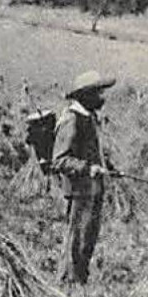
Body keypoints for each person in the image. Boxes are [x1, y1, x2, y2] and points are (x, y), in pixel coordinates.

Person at [51, 69, 115, 285]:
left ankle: (80, 279)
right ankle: (69, 282)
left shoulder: (89, 118)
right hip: (79, 191)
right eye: (97, 94)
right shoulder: (72, 120)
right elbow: (59, 160)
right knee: (76, 240)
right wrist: (88, 168)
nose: (101, 98)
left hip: (93, 190)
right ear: (85, 95)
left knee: (87, 239)